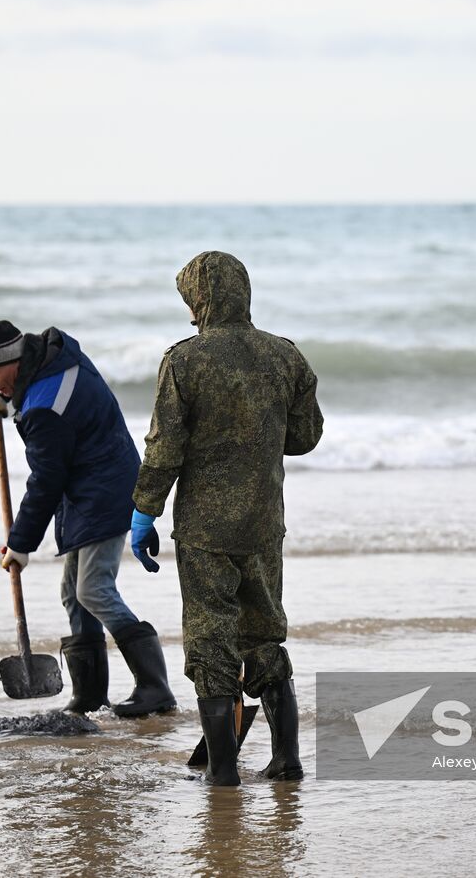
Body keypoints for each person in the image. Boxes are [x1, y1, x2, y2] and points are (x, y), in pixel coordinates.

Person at [131, 251, 323, 786]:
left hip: (205, 530)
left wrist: (144, 510)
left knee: (211, 640)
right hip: (264, 524)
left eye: (190, 300)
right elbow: (305, 438)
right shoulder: (285, 356)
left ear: (201, 299)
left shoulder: (185, 360)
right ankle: (286, 759)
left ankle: (222, 771)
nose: (190, 312)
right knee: (263, 635)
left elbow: (164, 447)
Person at [0, 320, 176, 719]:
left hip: (103, 492)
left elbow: (46, 479)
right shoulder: (55, 359)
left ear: (14, 360)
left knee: (94, 590)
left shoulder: (45, 405)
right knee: (74, 593)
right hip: (94, 482)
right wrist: (8, 399)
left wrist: (20, 543)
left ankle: (156, 688)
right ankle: (90, 694)